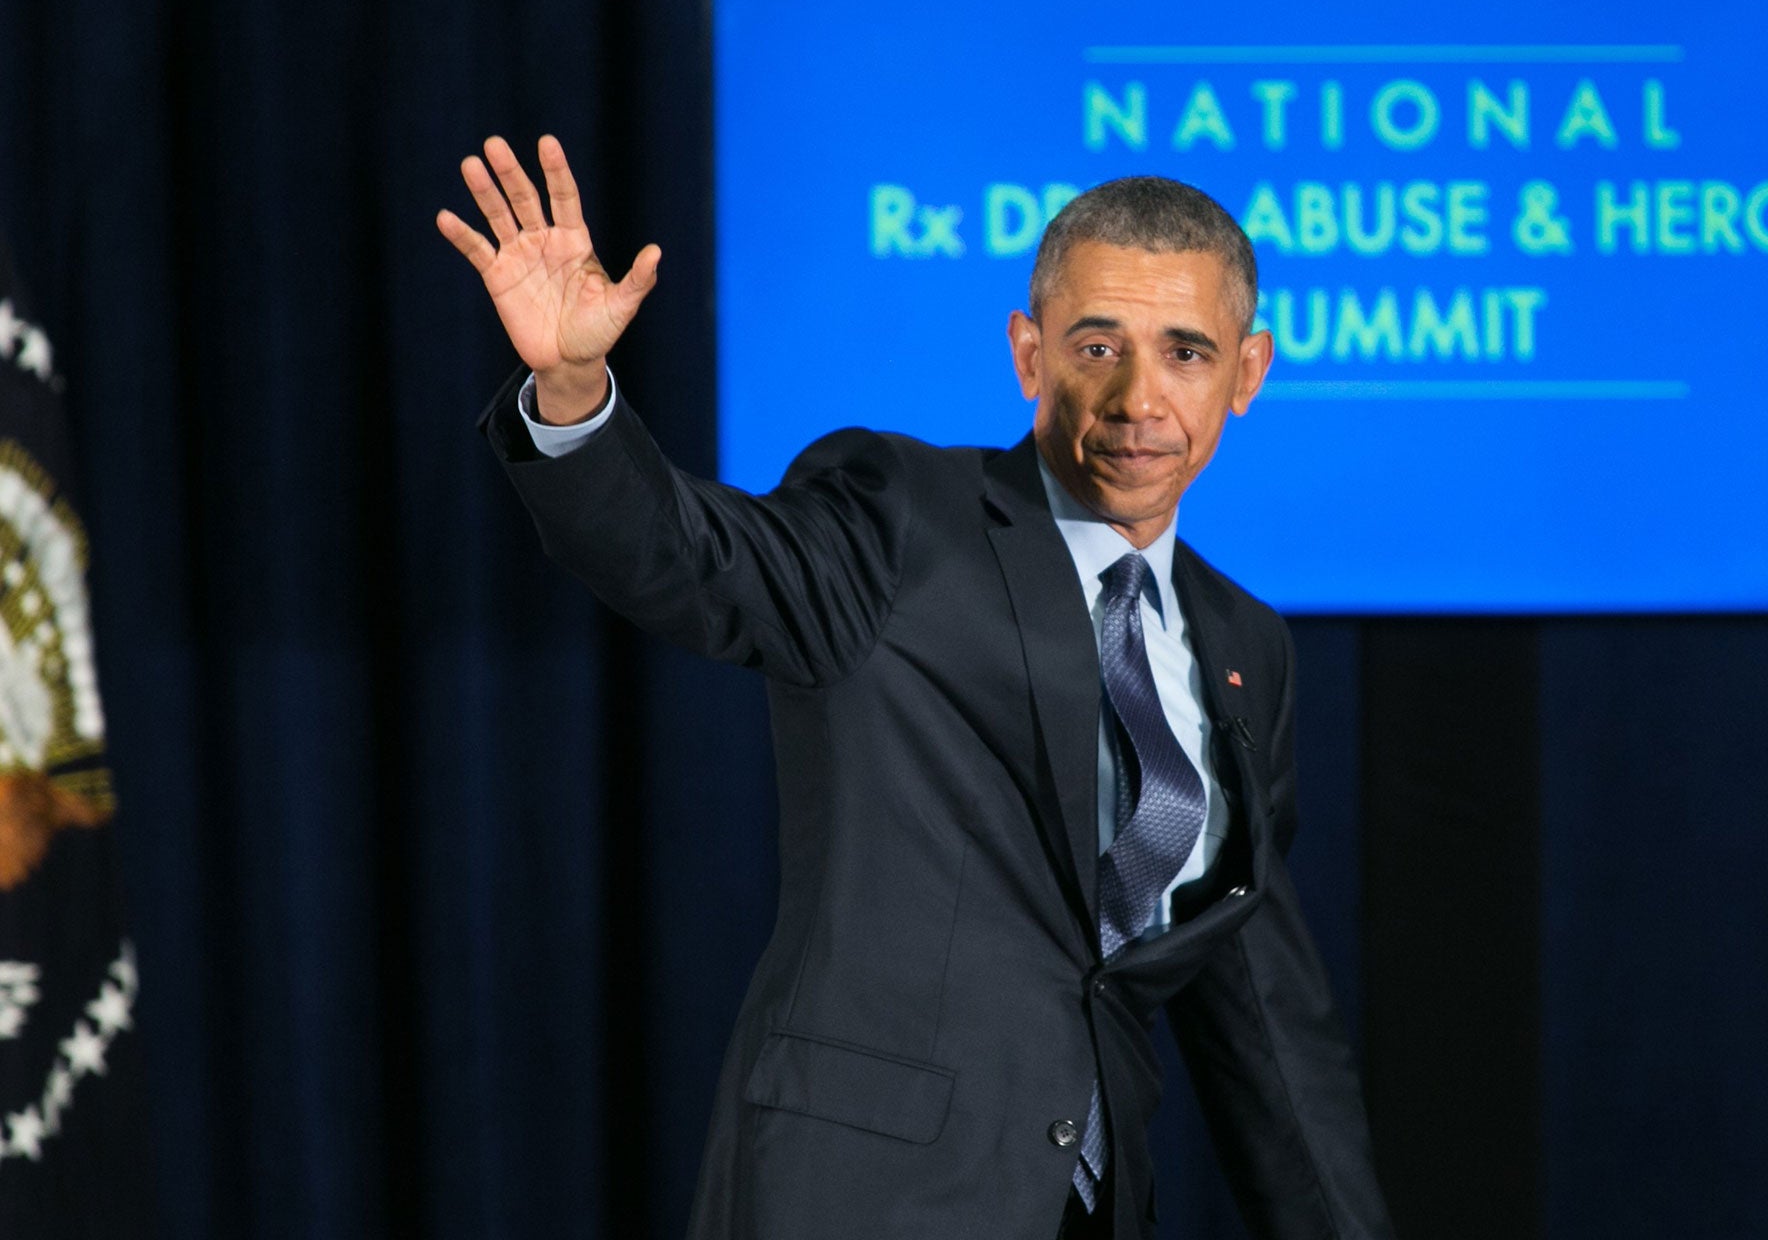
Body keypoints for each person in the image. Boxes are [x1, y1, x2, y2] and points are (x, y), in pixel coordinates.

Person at [437, 136, 1396, 1240]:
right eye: (1098, 345)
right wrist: (572, 390)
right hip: (860, 1199)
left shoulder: (1244, 645)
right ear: (1028, 355)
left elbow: (1264, 1022)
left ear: (1247, 370)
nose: (1139, 399)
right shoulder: (900, 518)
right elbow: (689, 559)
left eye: (1185, 352)